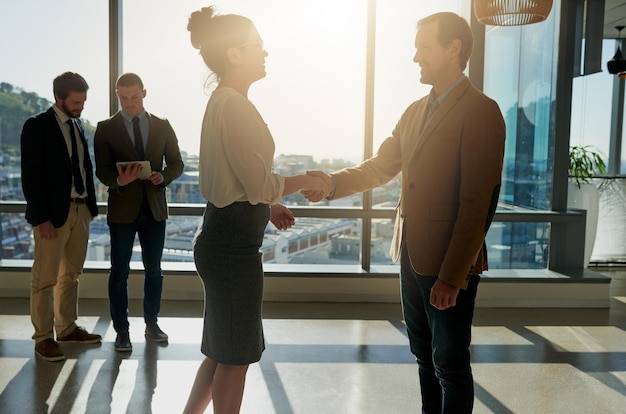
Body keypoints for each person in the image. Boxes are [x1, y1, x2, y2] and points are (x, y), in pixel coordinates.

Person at [304, 12, 505, 414]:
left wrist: (452, 276)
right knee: (424, 356)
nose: (415, 57)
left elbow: (476, 204)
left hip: (449, 262)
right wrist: (332, 184)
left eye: (423, 47)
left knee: (449, 363)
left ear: (454, 48)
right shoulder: (414, 111)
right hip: (410, 255)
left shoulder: (481, 111)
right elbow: (379, 166)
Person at [183, 6, 330, 414]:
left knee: (220, 349)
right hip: (232, 249)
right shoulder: (234, 106)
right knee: (235, 356)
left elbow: (237, 180)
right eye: (258, 46)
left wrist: (269, 205)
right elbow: (256, 182)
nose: (265, 54)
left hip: (220, 236)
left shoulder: (223, 101)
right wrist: (303, 181)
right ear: (234, 54)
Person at [94, 72, 184, 352]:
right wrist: (121, 180)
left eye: (134, 97)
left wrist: (162, 176)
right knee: (119, 271)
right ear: (117, 95)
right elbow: (103, 170)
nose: (129, 103)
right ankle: (122, 330)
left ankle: (152, 323)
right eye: (123, 98)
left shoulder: (163, 125)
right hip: (122, 208)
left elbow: (177, 164)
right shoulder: (105, 128)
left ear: (144, 93)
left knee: (154, 270)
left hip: (154, 207)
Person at [20, 71, 101, 362]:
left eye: (83, 102)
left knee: (71, 275)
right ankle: (43, 338)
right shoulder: (37, 126)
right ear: (59, 98)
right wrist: (41, 218)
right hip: (52, 216)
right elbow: (30, 176)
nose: (81, 107)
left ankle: (66, 328)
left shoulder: (78, 127)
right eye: (76, 102)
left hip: (80, 210)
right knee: (44, 279)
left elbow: (84, 169)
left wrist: (90, 209)